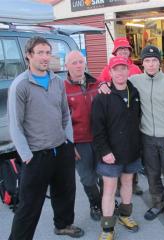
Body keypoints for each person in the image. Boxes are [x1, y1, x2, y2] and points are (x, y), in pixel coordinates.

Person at [99, 45, 164, 228]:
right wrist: (102, 84)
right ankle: (157, 204)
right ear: (142, 63)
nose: (151, 64)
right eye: (147, 61)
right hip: (146, 136)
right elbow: (115, 80)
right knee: (152, 174)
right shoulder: (135, 80)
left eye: (154, 61)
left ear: (159, 63)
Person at [7, 36, 84, 239]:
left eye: (48, 52)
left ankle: (63, 224)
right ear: (28, 56)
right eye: (40, 52)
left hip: (61, 149)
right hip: (36, 155)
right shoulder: (21, 85)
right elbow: (15, 125)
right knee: (29, 205)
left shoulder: (57, 81)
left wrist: (68, 142)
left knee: (65, 193)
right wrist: (26, 155)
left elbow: (65, 114)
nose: (45, 57)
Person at [92, 56, 142, 240]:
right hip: (110, 154)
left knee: (128, 183)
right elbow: (97, 129)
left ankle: (125, 216)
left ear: (128, 71)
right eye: (116, 69)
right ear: (110, 72)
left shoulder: (135, 92)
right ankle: (107, 229)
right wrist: (105, 152)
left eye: (123, 68)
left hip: (131, 150)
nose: (120, 72)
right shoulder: (102, 97)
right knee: (109, 189)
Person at [98, 36, 143, 196]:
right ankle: (114, 187)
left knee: (131, 158)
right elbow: (101, 84)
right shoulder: (107, 68)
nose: (123, 53)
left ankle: (133, 183)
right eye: (120, 50)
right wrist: (102, 84)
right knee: (115, 161)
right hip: (115, 117)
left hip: (132, 115)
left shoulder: (136, 68)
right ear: (115, 51)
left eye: (126, 50)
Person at [64, 50, 102, 221]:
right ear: (67, 66)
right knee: (87, 178)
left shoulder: (98, 84)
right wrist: (68, 144)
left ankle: (105, 202)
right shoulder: (62, 88)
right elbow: (60, 120)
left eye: (81, 61)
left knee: (104, 174)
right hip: (79, 142)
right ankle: (95, 203)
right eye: (74, 63)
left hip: (100, 139)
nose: (78, 65)